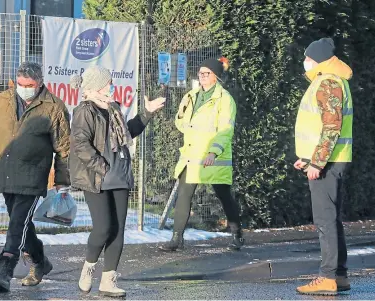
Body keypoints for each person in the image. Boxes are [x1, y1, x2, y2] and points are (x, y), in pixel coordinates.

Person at [68, 66, 165, 298]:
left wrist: (147, 113)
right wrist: (103, 166)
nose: (111, 86)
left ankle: (108, 280)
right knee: (103, 228)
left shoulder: (114, 108)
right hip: (98, 178)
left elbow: (127, 133)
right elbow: (80, 143)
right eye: (108, 83)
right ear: (95, 88)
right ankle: (89, 266)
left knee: (118, 230)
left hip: (119, 176)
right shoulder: (85, 111)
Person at [0, 62, 71, 292]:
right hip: (5, 174)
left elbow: (64, 148)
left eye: (29, 85)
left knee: (17, 223)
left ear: (39, 83)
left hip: (33, 175)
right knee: (22, 224)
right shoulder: (1, 101)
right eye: (20, 84)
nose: (24, 88)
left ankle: (4, 269)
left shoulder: (53, 107)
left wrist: (62, 180)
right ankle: (40, 261)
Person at [159, 57, 244, 252]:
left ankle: (237, 232)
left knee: (224, 196)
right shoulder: (191, 96)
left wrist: (213, 152)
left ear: (216, 76)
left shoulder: (225, 100)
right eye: (200, 73)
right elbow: (181, 121)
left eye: (207, 73)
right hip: (192, 155)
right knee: (184, 195)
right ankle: (177, 238)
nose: (202, 76)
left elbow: (225, 130)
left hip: (215, 156)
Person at [294, 38, 353, 295]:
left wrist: (317, 162)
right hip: (327, 159)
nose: (304, 61)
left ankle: (328, 277)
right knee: (332, 218)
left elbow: (331, 127)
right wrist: (308, 158)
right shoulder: (329, 80)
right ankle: (339, 275)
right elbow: (320, 127)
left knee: (325, 220)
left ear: (316, 60)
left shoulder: (328, 82)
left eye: (307, 57)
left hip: (327, 162)